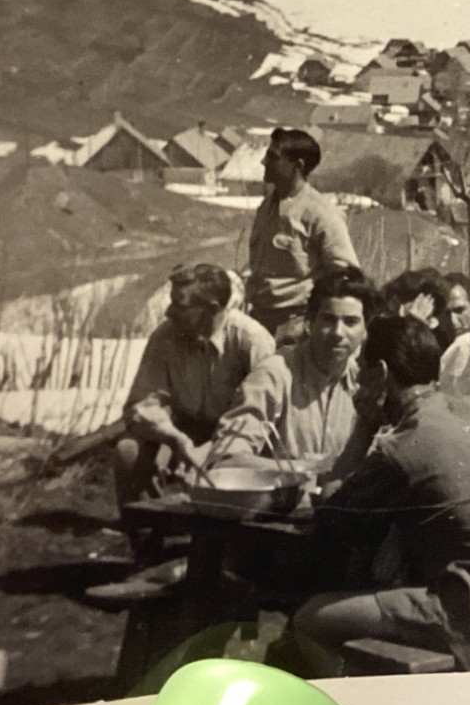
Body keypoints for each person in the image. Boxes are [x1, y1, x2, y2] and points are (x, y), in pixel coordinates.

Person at [287, 316, 470, 673]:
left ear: (379, 371)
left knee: (311, 619)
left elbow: (332, 519)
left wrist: (364, 423)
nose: (357, 379)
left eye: (362, 368)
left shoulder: (403, 445)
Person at [115, 265, 277, 536]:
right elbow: (141, 405)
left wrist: (219, 448)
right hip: (184, 431)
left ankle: (233, 547)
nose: (168, 312)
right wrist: (178, 441)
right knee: (128, 451)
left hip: (239, 439)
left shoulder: (252, 341)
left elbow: (266, 415)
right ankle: (149, 543)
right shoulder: (165, 335)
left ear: (212, 309)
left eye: (180, 305)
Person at [210, 267, 382, 477]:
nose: (338, 333)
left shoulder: (360, 383)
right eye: (328, 319)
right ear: (310, 321)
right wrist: (304, 469)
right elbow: (225, 458)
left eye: (351, 322)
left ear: (366, 330)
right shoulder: (275, 375)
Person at [246, 128, 359, 340]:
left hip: (296, 326)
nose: (263, 162)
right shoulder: (268, 204)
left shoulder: (321, 214)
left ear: (297, 166)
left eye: (273, 157)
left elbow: (346, 276)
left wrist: (311, 322)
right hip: (260, 320)